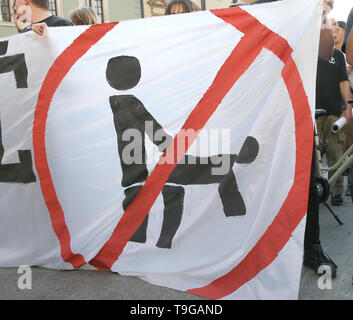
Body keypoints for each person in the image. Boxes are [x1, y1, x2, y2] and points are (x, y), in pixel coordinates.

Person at [233, 0, 339, 277]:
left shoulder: (306, 8)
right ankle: (256, 244)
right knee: (255, 180)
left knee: (304, 183)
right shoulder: (256, 8)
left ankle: (311, 246)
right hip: (261, 113)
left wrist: (323, 15)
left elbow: (327, 51)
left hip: (297, 112)